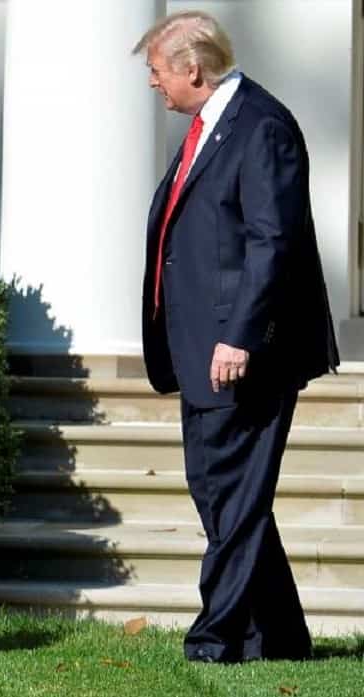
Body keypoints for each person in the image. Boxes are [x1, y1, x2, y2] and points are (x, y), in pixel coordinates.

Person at [133, 11, 339, 663]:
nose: (153, 83)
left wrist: (241, 336)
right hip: (201, 347)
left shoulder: (262, 126)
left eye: (157, 71)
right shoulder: (211, 125)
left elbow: (272, 241)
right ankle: (280, 636)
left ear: (192, 69)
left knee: (232, 496)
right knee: (223, 492)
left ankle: (214, 639)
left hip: (244, 352)